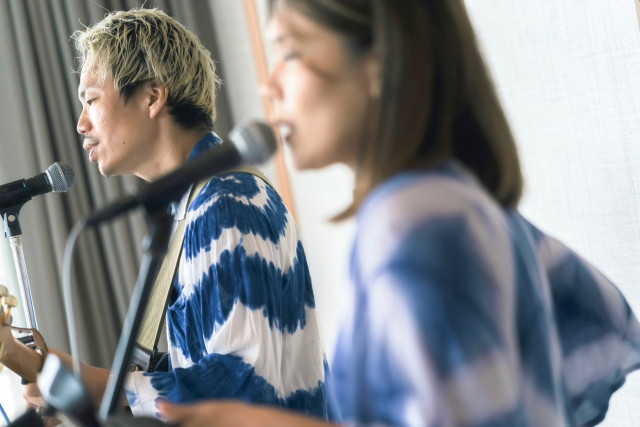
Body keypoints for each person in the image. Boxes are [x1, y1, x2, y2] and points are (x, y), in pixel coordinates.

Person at [158, 0, 640, 426]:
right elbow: (600, 327)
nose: (270, 86)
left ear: (380, 61)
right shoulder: (455, 205)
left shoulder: (413, 224)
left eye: (290, 51)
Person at [23, 7, 328, 421]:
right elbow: (208, 365)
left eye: (91, 99)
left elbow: (243, 383)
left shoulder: (226, 203)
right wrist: (80, 380)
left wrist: (97, 386)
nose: (80, 124)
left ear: (152, 96)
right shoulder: (191, 207)